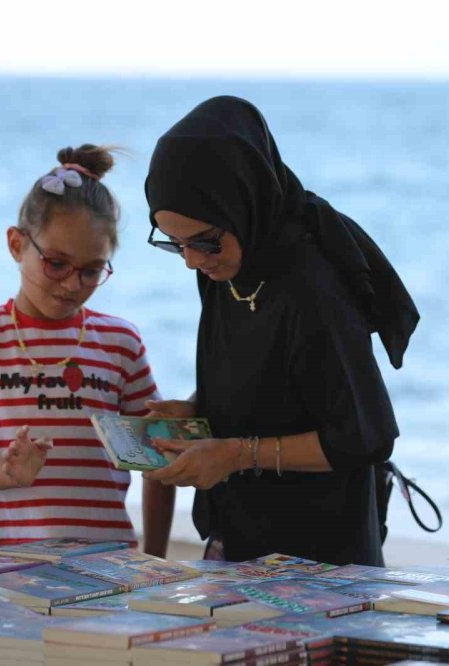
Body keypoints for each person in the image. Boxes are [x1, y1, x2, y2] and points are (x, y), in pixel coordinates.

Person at [142, 96, 419, 566]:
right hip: (237, 538)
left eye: (204, 241)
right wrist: (195, 409)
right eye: (176, 244)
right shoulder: (224, 268)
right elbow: (268, 379)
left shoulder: (312, 290)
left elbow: (364, 435)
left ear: (244, 203)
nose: (192, 259)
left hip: (321, 564)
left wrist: (234, 455)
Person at [0, 144, 174, 554]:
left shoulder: (121, 343)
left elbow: (158, 464)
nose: (73, 284)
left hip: (110, 571)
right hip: (7, 571)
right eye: (56, 263)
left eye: (92, 270)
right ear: (16, 245)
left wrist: (156, 564)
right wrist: (8, 472)